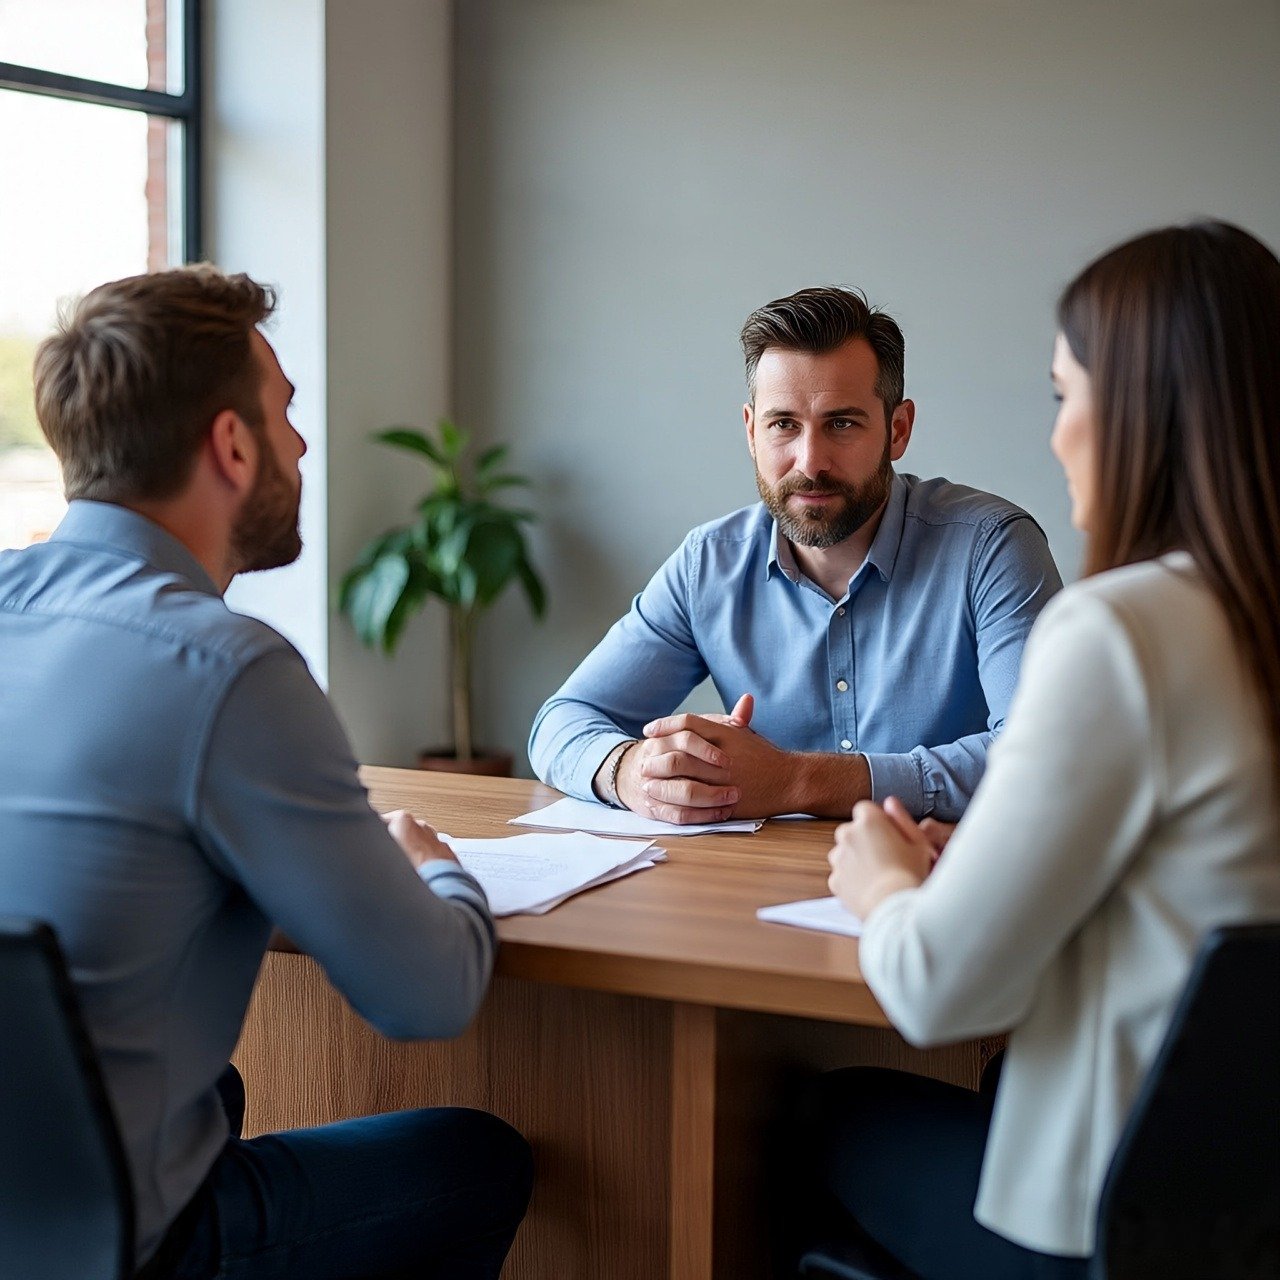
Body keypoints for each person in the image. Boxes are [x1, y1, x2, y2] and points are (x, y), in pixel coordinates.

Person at [0, 266, 532, 1279]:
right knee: (474, 1158)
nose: (300, 442)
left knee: (225, 1093)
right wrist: (436, 869)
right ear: (230, 445)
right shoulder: (224, 666)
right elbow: (424, 996)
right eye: (284, 412)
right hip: (124, 1247)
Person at [817, 220, 1280, 1278]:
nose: (1057, 432)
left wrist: (885, 883)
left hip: (1105, 1221)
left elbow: (937, 992)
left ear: (1137, 415)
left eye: (1064, 395)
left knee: (819, 1115)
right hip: (1244, 1212)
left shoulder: (1122, 629)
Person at [528, 287, 1061, 825]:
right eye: (784, 424)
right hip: (762, 890)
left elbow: (1044, 759)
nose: (810, 462)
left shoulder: (991, 547)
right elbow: (562, 721)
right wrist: (632, 770)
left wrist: (795, 781)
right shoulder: (707, 566)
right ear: (750, 431)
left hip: (941, 888)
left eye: (842, 424)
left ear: (897, 430)